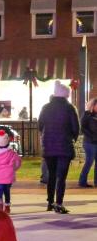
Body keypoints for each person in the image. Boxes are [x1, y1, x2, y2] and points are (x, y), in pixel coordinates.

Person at [38, 81, 80, 213]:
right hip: (64, 147)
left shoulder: (46, 107)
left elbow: (40, 125)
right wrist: (72, 138)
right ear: (65, 95)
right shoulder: (70, 108)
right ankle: (59, 203)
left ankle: (50, 202)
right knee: (61, 177)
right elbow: (75, 128)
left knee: (51, 175)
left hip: (49, 147)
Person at [0, 129, 22, 213]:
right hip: (8, 176)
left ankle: (0, 204)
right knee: (7, 191)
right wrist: (13, 169)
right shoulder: (12, 153)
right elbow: (18, 163)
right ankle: (7, 206)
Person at [77, 98, 97, 188]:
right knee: (89, 161)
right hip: (89, 143)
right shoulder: (87, 115)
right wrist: (91, 136)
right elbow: (83, 128)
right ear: (93, 105)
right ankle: (82, 181)